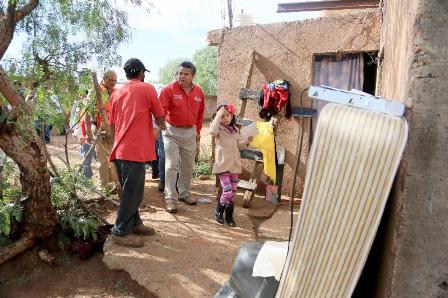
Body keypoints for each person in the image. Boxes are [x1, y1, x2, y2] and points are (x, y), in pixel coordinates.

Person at [108, 58, 166, 247]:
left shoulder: (116, 93)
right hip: (134, 150)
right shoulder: (147, 88)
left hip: (120, 149)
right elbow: (159, 115)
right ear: (141, 72)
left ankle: (134, 223)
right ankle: (120, 230)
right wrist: (163, 127)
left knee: (129, 190)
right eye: (143, 72)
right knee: (133, 192)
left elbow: (112, 123)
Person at [159, 61, 205, 213]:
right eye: (180, 73)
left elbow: (200, 115)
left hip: (190, 133)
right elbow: (161, 111)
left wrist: (197, 134)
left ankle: (184, 193)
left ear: (193, 76)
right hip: (172, 132)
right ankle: (170, 199)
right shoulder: (168, 90)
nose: (182, 76)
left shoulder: (199, 92)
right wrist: (163, 128)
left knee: (187, 166)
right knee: (172, 165)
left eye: (186, 74)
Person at [209, 105, 252, 227]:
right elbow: (212, 131)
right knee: (227, 191)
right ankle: (219, 211)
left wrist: (248, 142)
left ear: (232, 116)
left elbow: (238, 146)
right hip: (223, 165)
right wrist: (218, 115)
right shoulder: (218, 130)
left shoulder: (236, 131)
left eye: (227, 115)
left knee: (233, 193)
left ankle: (229, 215)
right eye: (222, 116)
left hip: (235, 166)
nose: (225, 118)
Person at [85, 70, 119, 189]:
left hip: (114, 130)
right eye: (111, 80)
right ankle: (104, 187)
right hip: (99, 128)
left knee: (114, 159)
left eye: (115, 80)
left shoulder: (116, 92)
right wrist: (88, 131)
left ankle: (116, 185)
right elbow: (87, 113)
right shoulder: (96, 91)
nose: (113, 83)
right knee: (102, 160)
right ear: (104, 79)